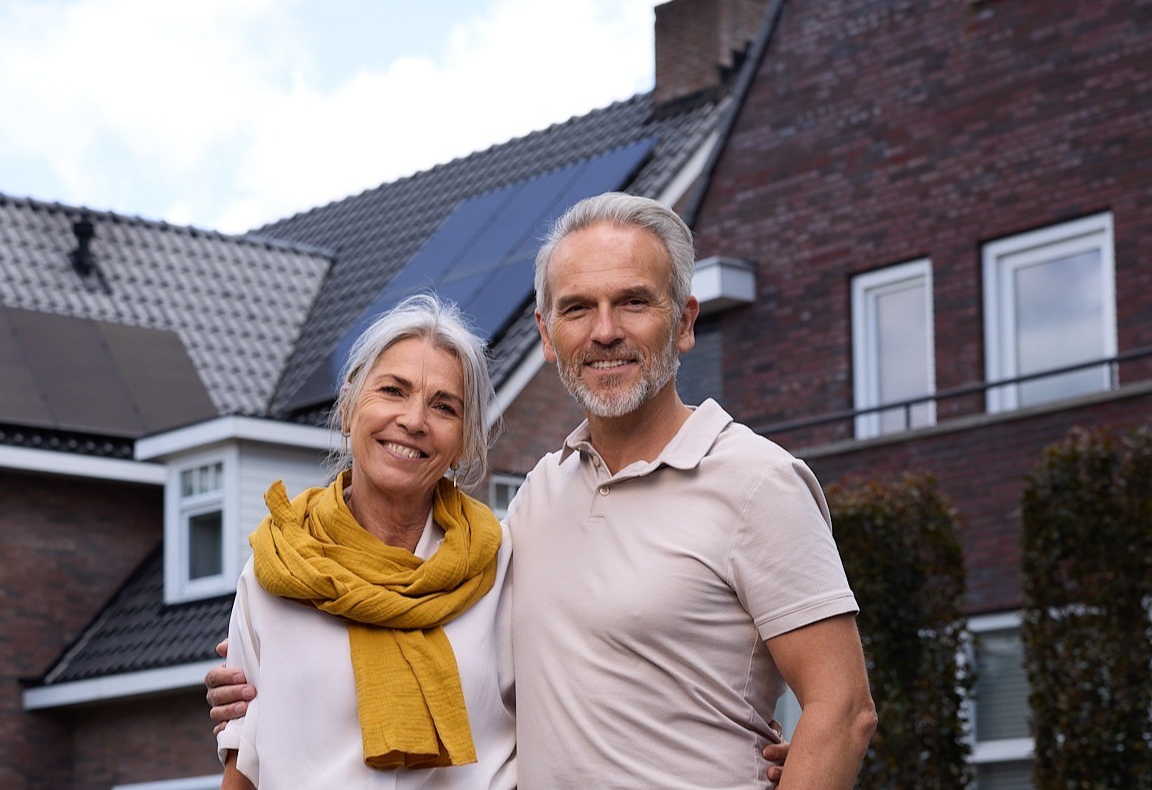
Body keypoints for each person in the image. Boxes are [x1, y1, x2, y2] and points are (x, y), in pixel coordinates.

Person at [213, 193, 876, 788]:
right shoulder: (534, 500)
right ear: (547, 335)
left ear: (684, 320)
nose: (605, 330)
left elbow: (842, 712)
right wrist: (264, 675)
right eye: (578, 308)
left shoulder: (757, 481)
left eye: (634, 302)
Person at [216, 293, 516, 789]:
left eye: (444, 406)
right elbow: (243, 766)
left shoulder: (502, 566)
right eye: (393, 391)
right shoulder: (279, 569)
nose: (415, 420)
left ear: (465, 441)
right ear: (350, 406)